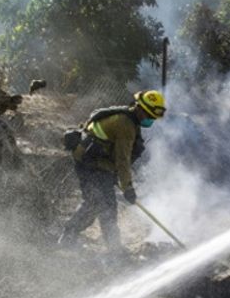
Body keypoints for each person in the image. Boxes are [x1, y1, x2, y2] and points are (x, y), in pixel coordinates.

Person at [59, 90, 166, 253]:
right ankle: (68, 237)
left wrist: (116, 177)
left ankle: (114, 248)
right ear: (139, 109)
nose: (150, 120)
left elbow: (118, 157)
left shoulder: (129, 119)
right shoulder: (125, 125)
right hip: (89, 164)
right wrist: (128, 187)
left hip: (99, 164)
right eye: (148, 116)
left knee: (108, 206)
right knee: (95, 203)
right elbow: (122, 160)